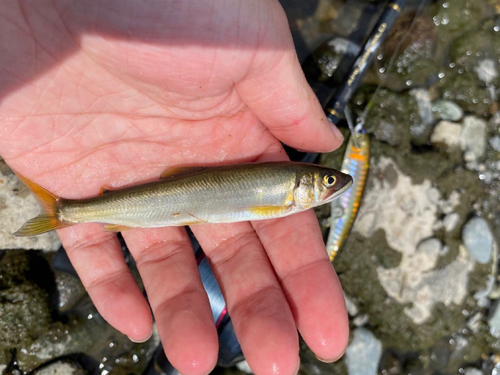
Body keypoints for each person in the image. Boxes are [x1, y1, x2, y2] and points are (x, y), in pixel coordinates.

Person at [0, 0, 349, 374]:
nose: (333, 184)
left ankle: (66, 212)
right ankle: (65, 212)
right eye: (326, 181)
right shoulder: (284, 197)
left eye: (327, 181)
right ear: (303, 183)